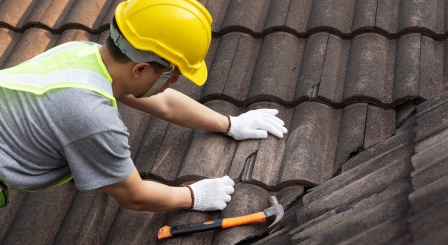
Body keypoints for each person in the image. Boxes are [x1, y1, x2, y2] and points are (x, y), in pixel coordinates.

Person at [0, 0, 287, 212]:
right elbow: (133, 195)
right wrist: (192, 195)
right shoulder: (92, 119)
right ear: (140, 69)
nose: (173, 83)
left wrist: (229, 123)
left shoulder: (83, 53)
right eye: (172, 75)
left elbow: (163, 103)